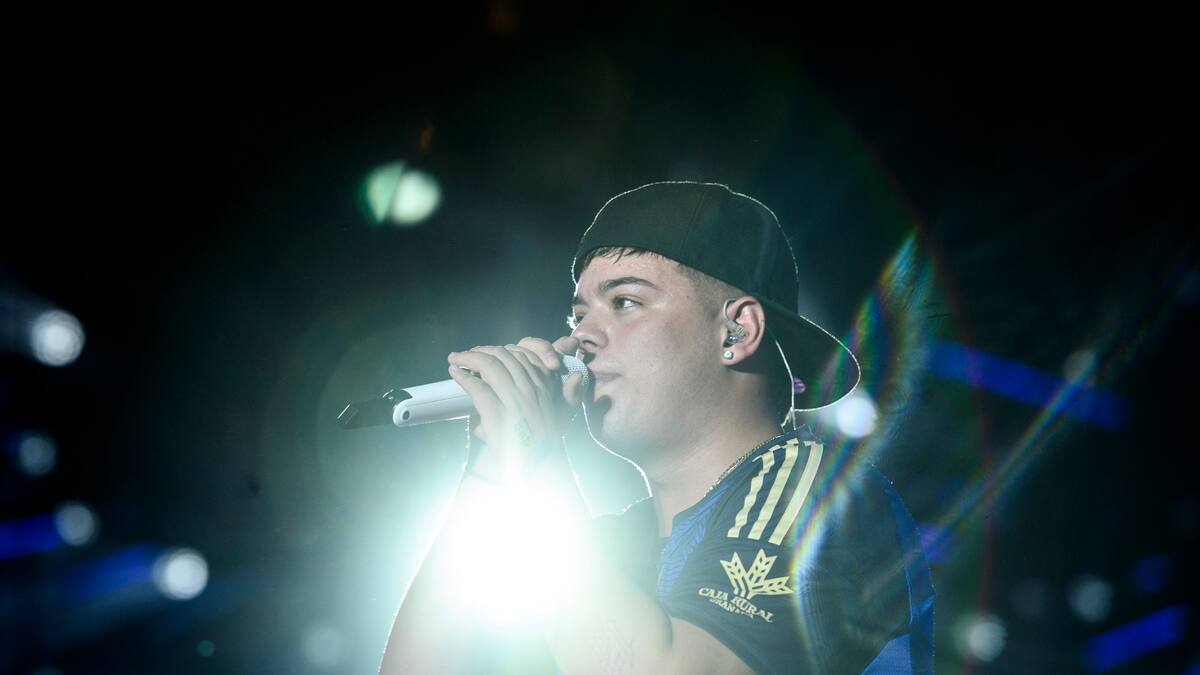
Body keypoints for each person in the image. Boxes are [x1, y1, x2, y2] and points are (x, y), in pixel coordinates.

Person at [380, 181, 935, 673]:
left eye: (624, 302)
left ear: (737, 331)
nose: (581, 337)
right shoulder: (611, 549)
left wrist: (537, 462)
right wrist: (491, 467)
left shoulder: (812, 488)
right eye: (578, 315)